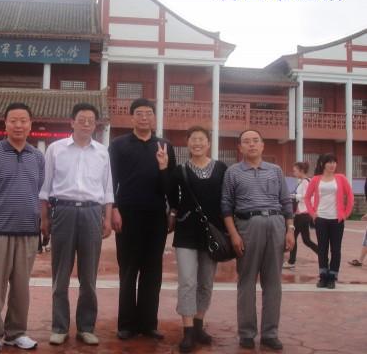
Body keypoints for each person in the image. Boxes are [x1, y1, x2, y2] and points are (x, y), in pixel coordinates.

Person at [0, 102, 45, 353]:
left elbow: (38, 189)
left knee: (21, 287)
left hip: (27, 231)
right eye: (13, 120)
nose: (18, 125)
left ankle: (16, 333)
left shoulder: (37, 157)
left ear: (30, 125)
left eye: (23, 120)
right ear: (5, 124)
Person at [40, 103, 114, 346]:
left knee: (89, 276)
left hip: (92, 212)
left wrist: (107, 218)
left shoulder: (102, 152)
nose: (86, 124)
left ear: (96, 125)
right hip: (63, 211)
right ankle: (59, 327)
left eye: (91, 120)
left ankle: (86, 327)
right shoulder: (56, 149)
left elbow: (107, 188)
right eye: (81, 119)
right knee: (60, 274)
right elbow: (45, 187)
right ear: (72, 122)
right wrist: (44, 217)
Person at [108, 98, 176, 340]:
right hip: (127, 214)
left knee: (152, 270)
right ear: (132, 117)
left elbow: (171, 186)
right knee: (128, 269)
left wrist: (172, 210)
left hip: (156, 216)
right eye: (139, 113)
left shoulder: (165, 146)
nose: (144, 117)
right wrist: (114, 208)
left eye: (148, 113)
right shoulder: (118, 145)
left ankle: (148, 324)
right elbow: (110, 179)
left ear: (154, 117)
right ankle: (126, 324)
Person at [221, 129, 295, 351]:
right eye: (246, 141)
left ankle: (270, 333)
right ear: (240, 147)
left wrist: (290, 230)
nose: (251, 145)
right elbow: (226, 205)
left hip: (276, 224)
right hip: (247, 226)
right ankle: (246, 333)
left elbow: (286, 202)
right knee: (246, 281)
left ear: (262, 145)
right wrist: (234, 234)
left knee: (273, 282)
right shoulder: (233, 172)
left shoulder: (275, 171)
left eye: (255, 141)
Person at [158, 126, 227, 352]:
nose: (197, 143)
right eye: (193, 139)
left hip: (212, 233)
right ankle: (187, 330)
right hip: (186, 231)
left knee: (206, 281)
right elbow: (170, 195)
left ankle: (199, 324)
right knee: (187, 280)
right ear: (187, 143)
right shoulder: (180, 170)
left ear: (208, 143)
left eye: (201, 139)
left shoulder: (221, 168)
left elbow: (227, 199)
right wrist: (163, 168)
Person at [304, 153, 353, 289]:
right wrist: (313, 214)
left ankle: (332, 277)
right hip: (321, 219)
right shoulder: (316, 179)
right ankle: (323, 276)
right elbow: (307, 198)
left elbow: (350, 196)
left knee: (336, 250)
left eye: (334, 162)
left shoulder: (341, 178)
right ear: (323, 164)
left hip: (337, 219)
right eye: (329, 162)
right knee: (322, 249)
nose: (332, 165)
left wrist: (346, 213)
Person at [283, 162, 318, 269]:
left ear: (301, 171)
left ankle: (291, 261)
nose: (294, 173)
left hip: (302, 214)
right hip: (304, 214)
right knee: (306, 240)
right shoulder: (305, 181)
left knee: (292, 236)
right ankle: (322, 255)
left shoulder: (306, 182)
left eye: (295, 171)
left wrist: (293, 196)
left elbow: (307, 196)